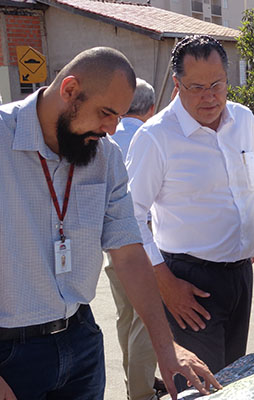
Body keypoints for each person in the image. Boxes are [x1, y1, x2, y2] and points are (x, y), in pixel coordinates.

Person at [0, 47, 221, 400]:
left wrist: (166, 347)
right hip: (9, 356)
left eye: (118, 116)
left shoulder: (105, 156)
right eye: (105, 113)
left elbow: (129, 254)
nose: (111, 129)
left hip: (81, 341)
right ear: (70, 90)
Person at [126, 35, 254, 385]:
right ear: (177, 85)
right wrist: (165, 283)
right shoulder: (156, 137)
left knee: (233, 381)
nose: (209, 96)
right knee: (201, 387)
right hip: (188, 282)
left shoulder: (243, 119)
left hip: (239, 275)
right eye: (196, 87)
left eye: (217, 85)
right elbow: (130, 217)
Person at [105, 78, 165, 400]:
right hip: (142, 244)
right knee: (146, 317)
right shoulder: (151, 136)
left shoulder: (108, 137)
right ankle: (142, 393)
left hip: (113, 247)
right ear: (152, 108)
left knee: (126, 316)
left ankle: (135, 380)